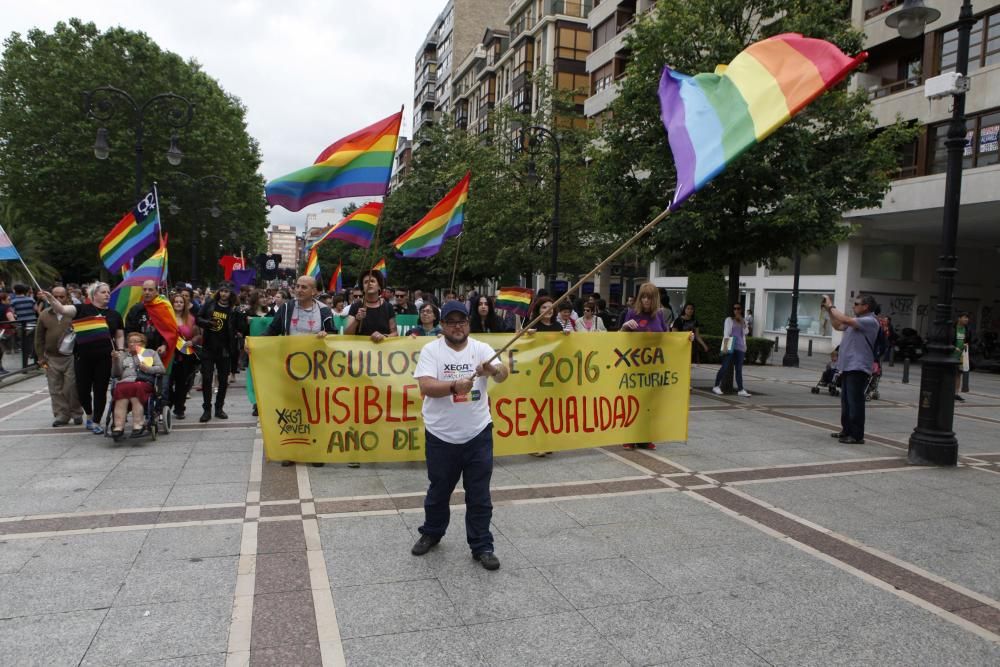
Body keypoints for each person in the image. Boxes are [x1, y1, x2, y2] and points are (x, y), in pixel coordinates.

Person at [410, 301, 509, 571]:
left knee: (479, 495)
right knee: (439, 491)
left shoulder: (482, 349)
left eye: (462, 321)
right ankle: (432, 532)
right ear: (442, 325)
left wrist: (494, 370)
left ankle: (482, 546)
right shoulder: (432, 350)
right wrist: (454, 385)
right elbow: (427, 386)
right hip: (441, 436)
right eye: (451, 321)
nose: (457, 326)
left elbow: (503, 374)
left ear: (468, 322)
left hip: (478, 434)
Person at [265, 275, 337, 467]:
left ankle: (316, 451)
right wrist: (253, 343)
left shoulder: (324, 310)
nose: (298, 290)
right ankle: (292, 451)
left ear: (314, 291)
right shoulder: (286, 308)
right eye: (297, 286)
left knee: (315, 411)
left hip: (316, 370)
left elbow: (334, 335)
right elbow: (272, 331)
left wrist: (326, 334)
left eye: (304, 287)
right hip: (290, 369)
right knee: (292, 411)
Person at [39, 283, 125, 434]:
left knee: (100, 389)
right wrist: (51, 299)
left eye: (108, 292)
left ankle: (96, 420)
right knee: (82, 390)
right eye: (103, 292)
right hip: (82, 357)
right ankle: (89, 415)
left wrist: (120, 350)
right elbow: (62, 309)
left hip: (104, 358)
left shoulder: (114, 314)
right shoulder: (80, 309)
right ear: (94, 295)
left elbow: (119, 334)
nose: (107, 295)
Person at [822, 294, 879, 444]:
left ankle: (856, 435)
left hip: (858, 366)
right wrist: (829, 311)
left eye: (856, 304)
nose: (854, 306)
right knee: (846, 401)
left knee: (855, 402)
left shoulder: (870, 321)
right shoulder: (857, 322)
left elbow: (845, 320)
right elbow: (838, 325)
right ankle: (846, 430)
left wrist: (831, 306)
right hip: (848, 366)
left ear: (865, 306)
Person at [34, 286, 83, 426]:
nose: (58, 299)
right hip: (51, 357)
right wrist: (41, 357)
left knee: (71, 387)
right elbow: (39, 338)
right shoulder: (44, 314)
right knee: (55, 388)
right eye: (55, 296)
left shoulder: (73, 313)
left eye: (61, 296)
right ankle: (62, 414)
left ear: (67, 297)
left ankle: (76, 412)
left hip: (71, 357)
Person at [110, 332, 165, 440]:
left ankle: (138, 424)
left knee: (136, 388)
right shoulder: (123, 355)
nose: (132, 344)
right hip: (125, 382)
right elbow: (116, 374)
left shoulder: (150, 353)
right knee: (120, 389)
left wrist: (148, 369)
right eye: (130, 341)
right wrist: (115, 360)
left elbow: (162, 369)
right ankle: (118, 426)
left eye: (136, 341)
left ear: (143, 344)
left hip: (143, 382)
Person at [196, 281, 238, 422]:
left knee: (223, 380)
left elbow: (239, 327)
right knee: (207, 378)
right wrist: (208, 323)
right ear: (219, 292)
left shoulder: (233, 309)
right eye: (222, 291)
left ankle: (219, 408)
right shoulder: (210, 304)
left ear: (231, 293)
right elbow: (198, 319)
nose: (224, 294)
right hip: (208, 347)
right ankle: (206, 409)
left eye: (227, 291)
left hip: (225, 349)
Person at [169, 294, 200, 419]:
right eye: (176, 302)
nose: (178, 304)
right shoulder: (167, 318)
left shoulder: (191, 319)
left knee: (182, 383)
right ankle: (170, 403)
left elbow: (198, 335)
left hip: (186, 355)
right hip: (170, 355)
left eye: (181, 302)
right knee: (168, 383)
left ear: (185, 304)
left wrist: (192, 342)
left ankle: (179, 408)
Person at [345, 270, 397, 341]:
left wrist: (384, 337)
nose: (369, 283)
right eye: (366, 282)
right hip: (361, 350)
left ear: (379, 286)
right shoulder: (355, 307)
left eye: (372, 281)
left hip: (382, 350)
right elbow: (347, 335)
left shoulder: (388, 307)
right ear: (362, 288)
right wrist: (357, 319)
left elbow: (395, 333)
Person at [712, 303, 752, 397]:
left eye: (738, 308)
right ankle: (716, 386)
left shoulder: (743, 321)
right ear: (732, 310)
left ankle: (741, 389)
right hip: (731, 345)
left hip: (740, 347)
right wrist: (725, 347)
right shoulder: (729, 320)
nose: (737, 310)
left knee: (739, 369)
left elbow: (746, 332)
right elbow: (726, 333)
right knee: (725, 366)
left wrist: (742, 321)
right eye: (735, 308)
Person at [125, 280, 167, 358]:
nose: (147, 292)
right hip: (138, 353)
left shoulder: (164, 309)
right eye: (144, 289)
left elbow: (169, 331)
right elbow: (129, 331)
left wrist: (164, 345)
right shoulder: (135, 310)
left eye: (150, 290)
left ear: (157, 292)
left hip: (159, 352)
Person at [10, 283, 38, 364]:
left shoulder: (13, 301)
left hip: (21, 324)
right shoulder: (31, 299)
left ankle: (25, 364)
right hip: (33, 323)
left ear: (15, 291)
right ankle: (35, 361)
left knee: (24, 343)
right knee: (34, 341)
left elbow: (12, 312)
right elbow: (35, 309)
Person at [954, 311, 972, 401]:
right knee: (949, 374)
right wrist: (953, 347)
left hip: (961, 356)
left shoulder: (966, 329)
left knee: (958, 375)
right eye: (964, 317)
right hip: (952, 356)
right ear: (959, 318)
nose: (966, 319)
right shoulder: (953, 328)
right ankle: (947, 392)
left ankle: (956, 394)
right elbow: (948, 340)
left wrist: (966, 344)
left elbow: (968, 340)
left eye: (967, 318)